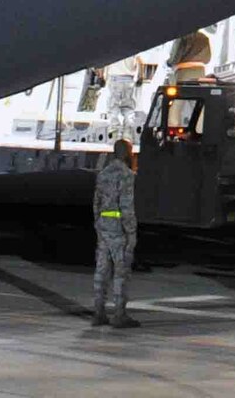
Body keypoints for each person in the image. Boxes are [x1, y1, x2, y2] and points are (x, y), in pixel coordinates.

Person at [91, 138, 141, 327]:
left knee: (101, 270)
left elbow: (96, 202)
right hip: (118, 227)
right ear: (126, 153)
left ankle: (98, 313)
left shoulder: (103, 174)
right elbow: (126, 206)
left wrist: (98, 223)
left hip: (103, 225)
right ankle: (119, 315)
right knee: (121, 271)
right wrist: (131, 232)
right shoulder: (127, 175)